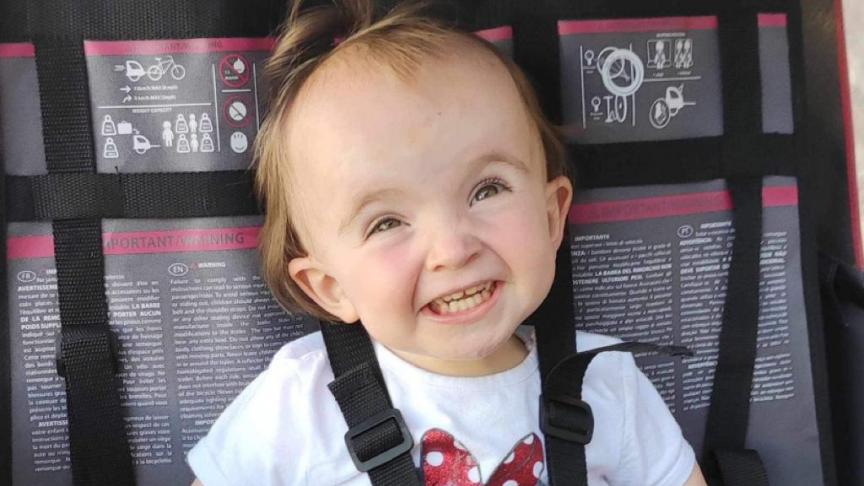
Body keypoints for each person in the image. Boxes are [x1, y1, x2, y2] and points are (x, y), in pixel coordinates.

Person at [187, 0, 707, 484]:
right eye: (386, 223)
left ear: (552, 216)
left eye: (487, 190)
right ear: (330, 287)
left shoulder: (607, 384)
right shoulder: (296, 404)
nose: (453, 250)